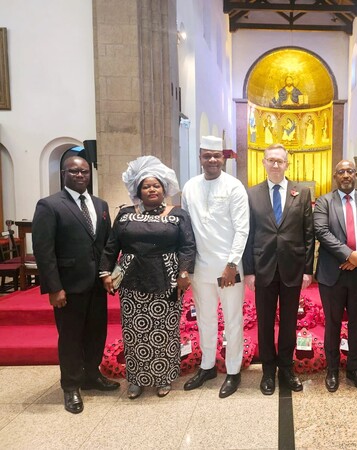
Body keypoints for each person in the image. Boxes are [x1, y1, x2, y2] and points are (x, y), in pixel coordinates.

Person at [99, 156, 195, 399]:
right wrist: (105, 272)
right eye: (146, 186)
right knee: (135, 330)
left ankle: (164, 377)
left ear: (164, 189)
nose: (152, 189)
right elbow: (112, 245)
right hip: (131, 277)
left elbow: (187, 246)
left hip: (168, 276)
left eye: (156, 185)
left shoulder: (178, 214)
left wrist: (184, 272)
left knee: (165, 329)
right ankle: (137, 379)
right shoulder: (125, 214)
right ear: (138, 190)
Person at [32, 156, 119, 414]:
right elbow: (43, 250)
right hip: (68, 286)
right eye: (74, 171)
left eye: (84, 171)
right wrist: (53, 287)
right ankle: (70, 386)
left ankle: (92, 375)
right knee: (70, 337)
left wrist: (109, 274)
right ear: (64, 173)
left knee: (96, 333)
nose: (80, 175)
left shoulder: (100, 204)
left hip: (96, 284)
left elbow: (106, 245)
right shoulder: (49, 205)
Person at [243, 143, 315, 395]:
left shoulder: (301, 193)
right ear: (263, 162)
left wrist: (308, 269)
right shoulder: (251, 194)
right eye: (270, 160)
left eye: (280, 161)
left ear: (287, 164)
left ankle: (286, 367)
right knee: (264, 322)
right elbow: (248, 234)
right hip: (262, 268)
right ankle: (267, 372)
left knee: (288, 322)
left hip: (292, 268)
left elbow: (309, 233)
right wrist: (249, 271)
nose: (275, 164)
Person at [181, 136, 250, 398]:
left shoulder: (234, 187)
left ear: (224, 158)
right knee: (205, 319)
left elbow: (242, 228)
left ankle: (233, 370)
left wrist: (232, 264)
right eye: (206, 155)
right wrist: (186, 268)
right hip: (201, 267)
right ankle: (207, 365)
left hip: (227, 269)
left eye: (216, 156)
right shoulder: (189, 187)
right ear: (199, 157)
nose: (212, 160)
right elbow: (187, 230)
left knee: (232, 320)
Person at [313, 160, 357, 393]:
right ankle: (332, 369)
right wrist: (348, 254)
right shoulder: (324, 201)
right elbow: (321, 231)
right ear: (335, 175)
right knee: (331, 323)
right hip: (332, 271)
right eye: (340, 171)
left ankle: (353, 368)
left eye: (349, 171)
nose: (345, 175)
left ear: (356, 174)